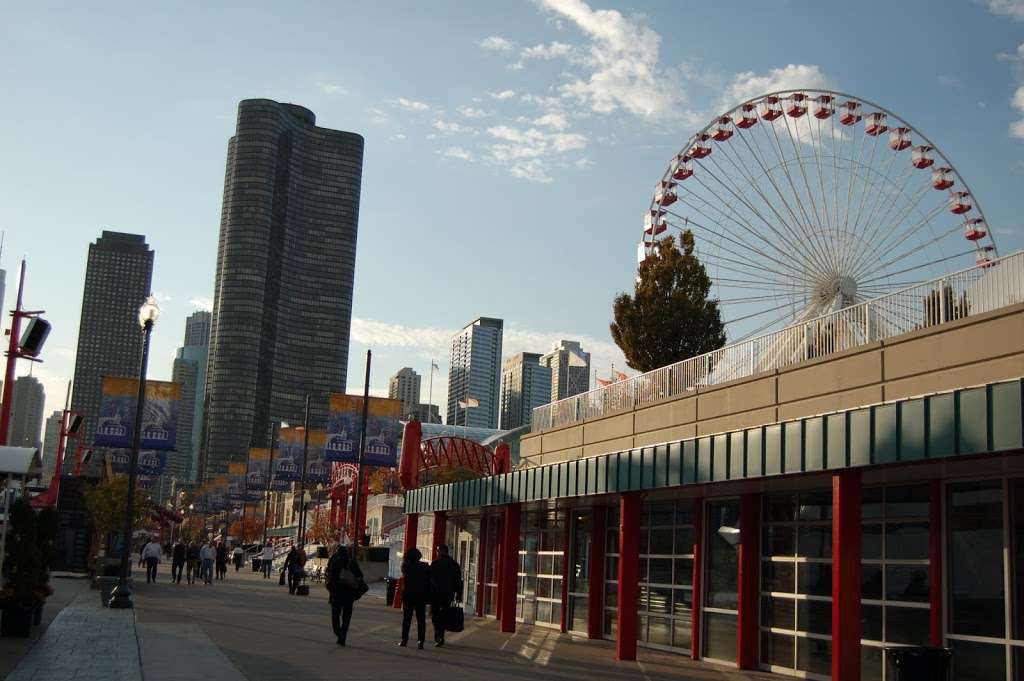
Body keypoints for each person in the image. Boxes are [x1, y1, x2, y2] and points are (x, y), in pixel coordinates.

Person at [325, 544, 363, 646]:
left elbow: (330, 577)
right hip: (349, 594)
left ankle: (338, 633)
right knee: (346, 617)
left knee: (335, 615)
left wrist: (330, 589)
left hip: (337, 593)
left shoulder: (335, 562)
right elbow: (360, 576)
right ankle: (343, 635)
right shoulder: (352, 562)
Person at [429, 545, 463, 647]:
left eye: (437, 551)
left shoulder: (435, 563)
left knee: (435, 615)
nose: (436, 553)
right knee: (444, 613)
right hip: (449, 594)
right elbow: (458, 581)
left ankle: (439, 635)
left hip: (435, 594)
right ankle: (441, 634)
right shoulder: (454, 564)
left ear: (441, 551)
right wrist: (458, 595)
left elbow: (429, 578)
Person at [399, 547, 430, 649]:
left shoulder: (406, 566)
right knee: (421, 619)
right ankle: (420, 641)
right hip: (421, 595)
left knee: (407, 618)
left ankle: (404, 640)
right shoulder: (425, 566)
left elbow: (404, 574)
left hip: (409, 594)